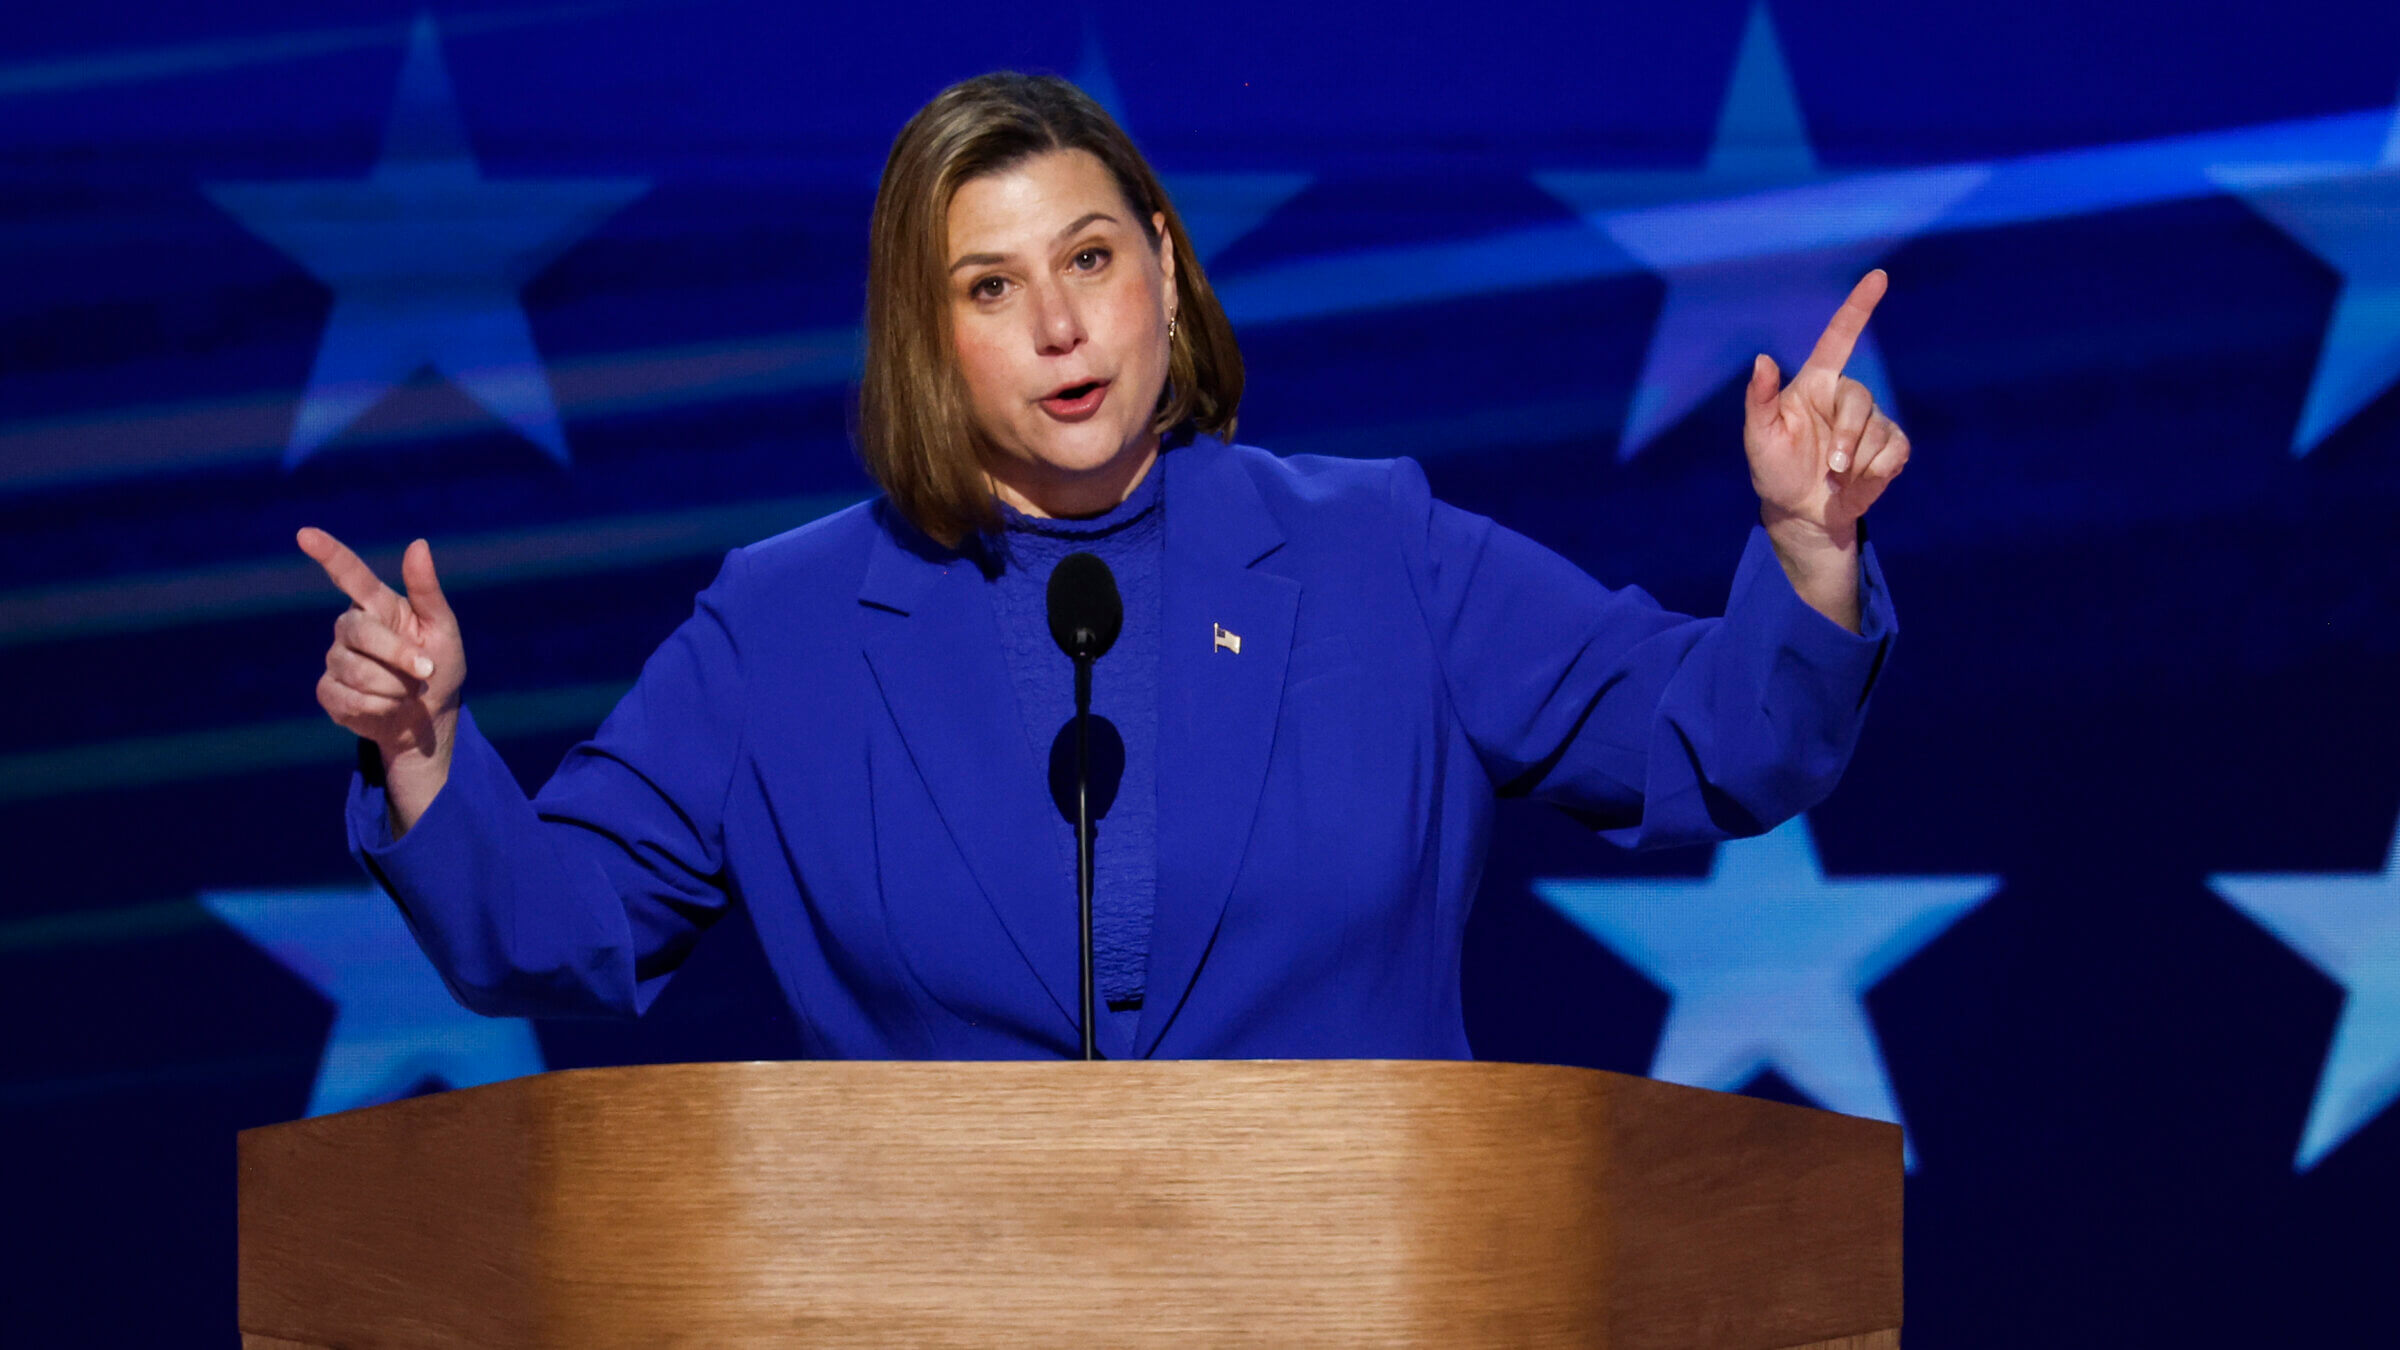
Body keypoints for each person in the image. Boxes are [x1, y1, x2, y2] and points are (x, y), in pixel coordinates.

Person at [298, 72, 1905, 1062]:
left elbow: (1719, 739)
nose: (1061, 326)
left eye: (1087, 259)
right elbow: (553, 923)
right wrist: (426, 750)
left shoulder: (1375, 552)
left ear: (1161, 261)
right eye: (988, 288)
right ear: (925, 339)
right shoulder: (779, 630)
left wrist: (1803, 548)